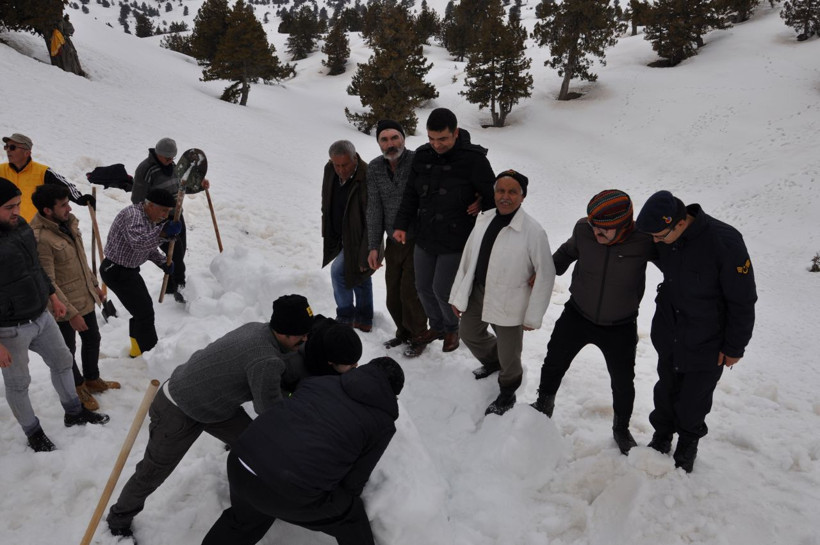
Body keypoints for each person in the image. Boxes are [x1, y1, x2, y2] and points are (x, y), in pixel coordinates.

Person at [107, 294, 319, 538]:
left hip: (216, 407)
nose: (305, 340)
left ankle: (240, 457)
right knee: (152, 472)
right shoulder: (265, 360)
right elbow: (269, 410)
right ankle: (119, 518)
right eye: (301, 335)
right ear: (283, 332)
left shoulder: (257, 329)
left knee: (254, 447)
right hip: (177, 410)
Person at [201, 357, 405, 545]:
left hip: (241, 461)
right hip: (287, 488)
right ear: (392, 394)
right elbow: (354, 481)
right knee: (351, 517)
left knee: (244, 518)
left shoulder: (320, 382)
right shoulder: (382, 424)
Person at [636, 190, 757, 472]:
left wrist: (735, 346)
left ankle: (688, 443)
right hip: (670, 331)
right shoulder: (663, 233)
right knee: (665, 390)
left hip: (708, 340)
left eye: (659, 236)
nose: (655, 242)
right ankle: (661, 436)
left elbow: (743, 299)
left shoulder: (724, 242)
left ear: (680, 223)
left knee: (694, 400)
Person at [531, 190, 656, 454]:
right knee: (554, 361)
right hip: (578, 314)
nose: (597, 233)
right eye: (594, 226)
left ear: (624, 225)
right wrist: (541, 273)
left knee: (623, 382)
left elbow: (675, 265)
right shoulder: (584, 230)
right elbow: (564, 255)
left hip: (620, 325)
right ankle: (544, 404)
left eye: (605, 229)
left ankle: (621, 428)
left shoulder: (644, 240)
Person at [0, 178, 108, 453]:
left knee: (62, 361)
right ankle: (33, 432)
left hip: (41, 315)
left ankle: (74, 411)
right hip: (9, 329)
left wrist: (53, 297)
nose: (16, 211)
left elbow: (36, 268)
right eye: (9, 207)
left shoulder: (20, 227)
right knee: (19, 383)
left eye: (18, 205)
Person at [449, 170, 555, 415]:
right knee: (468, 333)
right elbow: (468, 259)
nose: (505, 197)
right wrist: (458, 295)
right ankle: (492, 362)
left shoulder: (533, 231)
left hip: (510, 300)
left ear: (522, 196)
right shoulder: (484, 219)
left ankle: (507, 393)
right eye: (500, 190)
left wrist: (533, 316)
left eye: (512, 192)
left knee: (510, 355)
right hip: (478, 291)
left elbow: (546, 274)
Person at [393, 108, 495, 354]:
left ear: (455, 133)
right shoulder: (422, 156)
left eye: (443, 139)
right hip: (425, 233)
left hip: (457, 237)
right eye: (431, 139)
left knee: (441, 288)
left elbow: (493, 197)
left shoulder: (474, 159)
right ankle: (436, 325)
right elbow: (410, 194)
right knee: (422, 287)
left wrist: (481, 201)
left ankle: (451, 328)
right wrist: (400, 224)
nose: (436, 144)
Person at [30, 184, 121, 412]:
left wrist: (94, 285)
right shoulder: (40, 238)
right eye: (63, 205)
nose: (69, 208)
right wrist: (71, 314)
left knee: (93, 339)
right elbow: (48, 281)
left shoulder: (68, 224)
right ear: (47, 210)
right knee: (66, 350)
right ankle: (77, 386)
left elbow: (81, 259)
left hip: (84, 296)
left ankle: (91, 378)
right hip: (62, 307)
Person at [365, 120, 430, 356]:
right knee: (392, 294)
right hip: (393, 242)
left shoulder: (418, 162)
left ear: (403, 138)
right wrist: (374, 246)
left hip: (418, 239)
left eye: (395, 138)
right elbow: (374, 209)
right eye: (384, 139)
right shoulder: (374, 168)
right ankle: (403, 333)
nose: (390, 144)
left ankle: (419, 335)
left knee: (410, 292)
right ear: (379, 143)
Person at [101, 188, 181, 357]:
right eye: (164, 211)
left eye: (168, 212)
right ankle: (150, 354)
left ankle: (138, 351)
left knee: (142, 312)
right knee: (144, 313)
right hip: (115, 270)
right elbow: (139, 243)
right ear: (150, 205)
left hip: (128, 271)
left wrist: (162, 262)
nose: (165, 216)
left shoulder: (148, 217)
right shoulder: (134, 216)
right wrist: (163, 232)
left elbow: (148, 247)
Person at [131, 138, 208, 303]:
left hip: (176, 214)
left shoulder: (173, 167)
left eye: (173, 158)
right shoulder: (146, 169)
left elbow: (182, 186)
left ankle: (171, 286)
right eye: (167, 158)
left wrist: (201, 185)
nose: (171, 161)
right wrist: (151, 221)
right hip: (159, 218)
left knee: (180, 249)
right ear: (158, 154)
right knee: (176, 252)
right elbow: (137, 198)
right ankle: (180, 286)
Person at [321, 140, 375, 332]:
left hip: (359, 238)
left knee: (340, 271)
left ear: (355, 158)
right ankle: (364, 318)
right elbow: (326, 198)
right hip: (338, 234)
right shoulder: (330, 170)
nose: (341, 170)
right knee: (359, 275)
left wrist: (367, 250)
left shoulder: (367, 177)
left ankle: (345, 315)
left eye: (345, 165)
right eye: (337, 165)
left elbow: (373, 219)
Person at [1, 132, 94, 221]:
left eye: (12, 147)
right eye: (6, 146)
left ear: (27, 153)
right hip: (5, 228)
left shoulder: (43, 172)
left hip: (32, 230)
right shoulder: (1, 170)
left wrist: (80, 199)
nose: (8, 150)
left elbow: (65, 186)